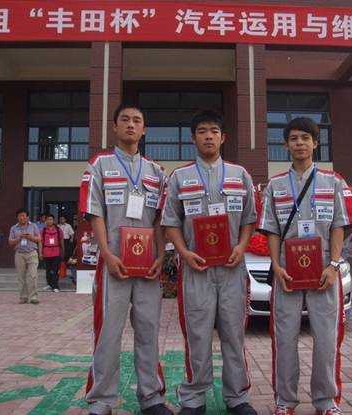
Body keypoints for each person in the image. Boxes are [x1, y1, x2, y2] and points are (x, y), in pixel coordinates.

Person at [258, 117, 352, 415]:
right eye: (294, 138)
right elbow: (272, 230)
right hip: (287, 273)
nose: (300, 143)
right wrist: (276, 266)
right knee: (284, 339)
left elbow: (339, 226)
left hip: (324, 273)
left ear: (316, 143)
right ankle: (285, 401)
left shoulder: (334, 181)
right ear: (285, 145)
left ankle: (326, 402)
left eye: (305, 138)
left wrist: (334, 265)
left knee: (327, 339)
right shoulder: (275, 185)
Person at [161, 110, 258, 415]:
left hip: (231, 269)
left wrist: (241, 246)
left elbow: (249, 218)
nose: (208, 136)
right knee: (197, 335)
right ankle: (194, 399)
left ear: (223, 137)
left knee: (234, 334)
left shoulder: (240, 175)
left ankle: (237, 397)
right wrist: (183, 252)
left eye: (214, 131)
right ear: (193, 138)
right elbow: (170, 222)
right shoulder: (179, 177)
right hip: (196, 269)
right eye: (202, 131)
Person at [79, 103, 171, 415]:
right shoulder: (99, 165)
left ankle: (152, 397)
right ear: (115, 127)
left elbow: (161, 219)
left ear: (144, 130)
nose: (131, 125)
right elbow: (95, 212)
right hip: (113, 264)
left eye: (137, 121)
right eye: (125, 120)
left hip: (148, 268)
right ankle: (102, 399)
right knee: (108, 332)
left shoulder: (157, 172)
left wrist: (161, 254)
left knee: (148, 330)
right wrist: (106, 253)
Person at [9, 208, 41, 304]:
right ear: (17, 217)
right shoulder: (14, 228)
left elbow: (39, 239)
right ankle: (23, 297)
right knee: (21, 277)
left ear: (27, 217)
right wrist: (19, 238)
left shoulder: (33, 226)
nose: (22, 218)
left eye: (23, 215)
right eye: (20, 216)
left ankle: (33, 297)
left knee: (33, 275)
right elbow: (10, 242)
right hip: (19, 254)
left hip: (32, 253)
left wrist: (30, 237)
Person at [40, 214, 64, 292]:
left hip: (56, 252)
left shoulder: (58, 230)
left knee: (55, 270)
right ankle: (49, 284)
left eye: (51, 219)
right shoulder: (43, 231)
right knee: (48, 270)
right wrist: (40, 253)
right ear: (45, 221)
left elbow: (61, 241)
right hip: (46, 252)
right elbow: (40, 242)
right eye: (48, 219)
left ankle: (55, 286)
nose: (49, 221)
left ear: (53, 221)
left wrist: (63, 251)